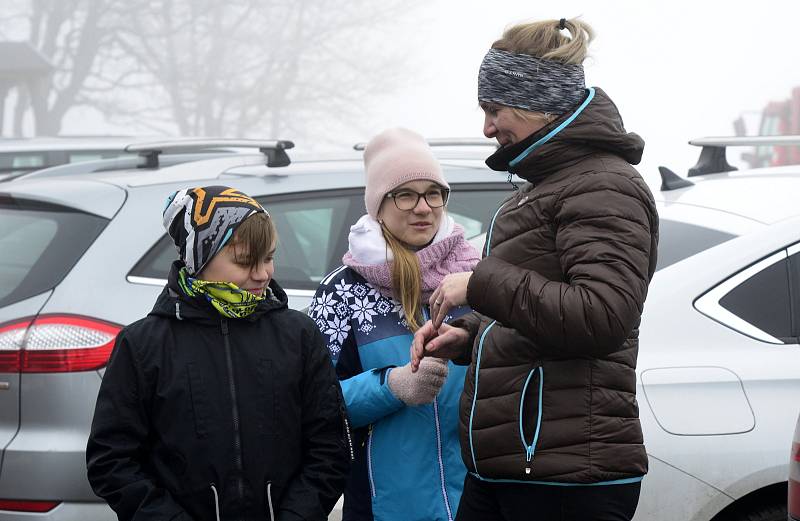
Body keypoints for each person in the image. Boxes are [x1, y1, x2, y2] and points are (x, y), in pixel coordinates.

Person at [411, 18, 659, 521]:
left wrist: (479, 284)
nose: (486, 127)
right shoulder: (548, 185)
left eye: (494, 109)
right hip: (514, 466)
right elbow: (542, 307)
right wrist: (470, 336)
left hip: (565, 477)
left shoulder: (603, 186)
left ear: (535, 104)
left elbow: (602, 315)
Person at [86, 186, 351, 521]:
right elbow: (112, 461)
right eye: (244, 261)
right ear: (199, 257)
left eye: (268, 258)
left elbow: (330, 447)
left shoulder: (298, 335)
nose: (262, 274)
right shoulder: (143, 345)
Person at [308, 127, 481, 521]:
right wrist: (392, 387)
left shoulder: (476, 279)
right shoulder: (343, 292)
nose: (423, 207)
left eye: (433, 192)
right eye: (405, 194)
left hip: (479, 501)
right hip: (385, 508)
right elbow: (312, 403)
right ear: (378, 206)